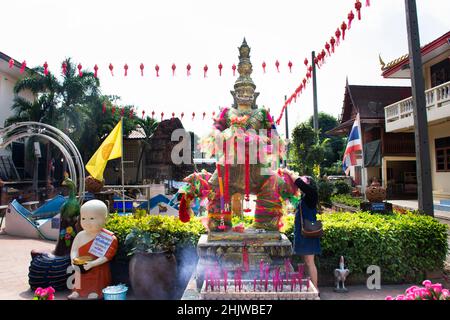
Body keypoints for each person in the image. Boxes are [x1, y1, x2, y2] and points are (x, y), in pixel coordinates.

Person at [289, 172, 321, 292]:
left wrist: (288, 172)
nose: (302, 180)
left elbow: (298, 182)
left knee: (310, 261)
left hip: (309, 234)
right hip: (303, 233)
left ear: (308, 183)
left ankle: (315, 289)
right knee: (305, 261)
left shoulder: (312, 194)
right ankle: (310, 287)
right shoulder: (304, 197)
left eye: (304, 179)